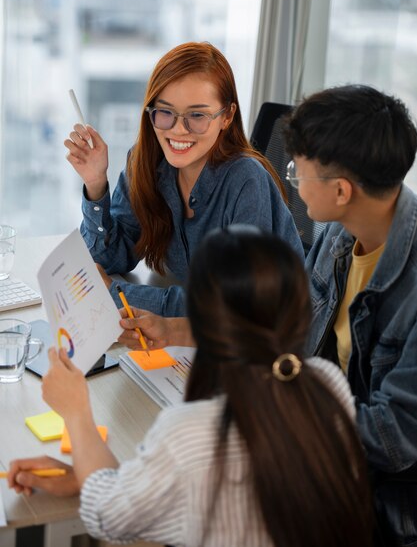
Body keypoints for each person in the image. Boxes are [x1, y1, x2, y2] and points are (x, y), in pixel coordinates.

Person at [8, 228, 372, 547]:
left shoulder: (192, 433)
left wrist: (76, 411)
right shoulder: (328, 385)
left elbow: (109, 518)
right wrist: (96, 478)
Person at [65, 42, 303, 317]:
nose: (178, 130)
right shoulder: (146, 161)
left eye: (197, 115)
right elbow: (108, 259)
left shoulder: (246, 180)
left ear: (227, 116)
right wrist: (96, 184)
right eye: (165, 112)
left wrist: (119, 295)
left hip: (270, 340)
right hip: (197, 335)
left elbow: (233, 307)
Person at [282, 84, 417, 546]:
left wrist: (283, 420)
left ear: (341, 190)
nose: (294, 184)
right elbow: (290, 326)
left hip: (381, 508)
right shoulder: (337, 235)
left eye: (298, 172)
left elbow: (394, 436)